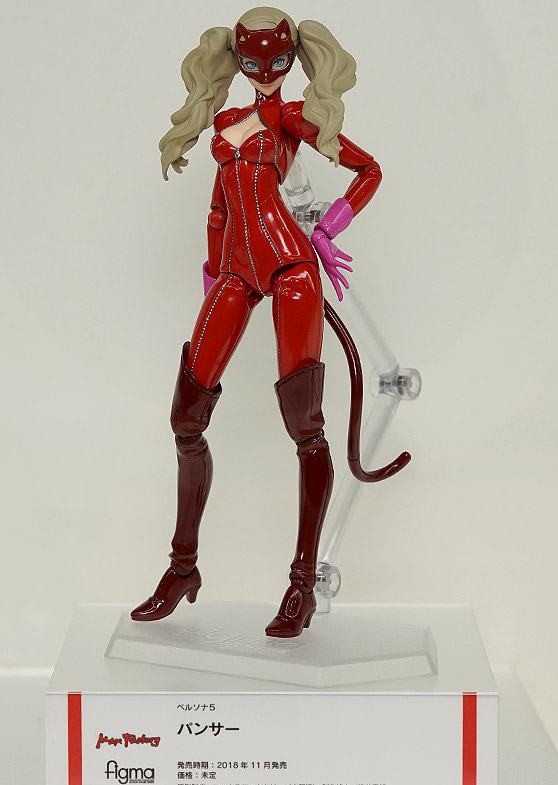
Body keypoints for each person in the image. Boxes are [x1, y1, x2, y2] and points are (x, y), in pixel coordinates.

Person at [131, 7, 406, 638]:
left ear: (292, 58)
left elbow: (369, 170)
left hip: (290, 267)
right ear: (235, 59)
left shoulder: (291, 118)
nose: (263, 72)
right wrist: (212, 275)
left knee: (304, 427)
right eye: (251, 62)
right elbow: (219, 208)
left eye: (277, 61)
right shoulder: (225, 122)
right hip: (234, 272)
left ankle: (302, 583)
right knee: (186, 418)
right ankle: (182, 567)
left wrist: (329, 227)